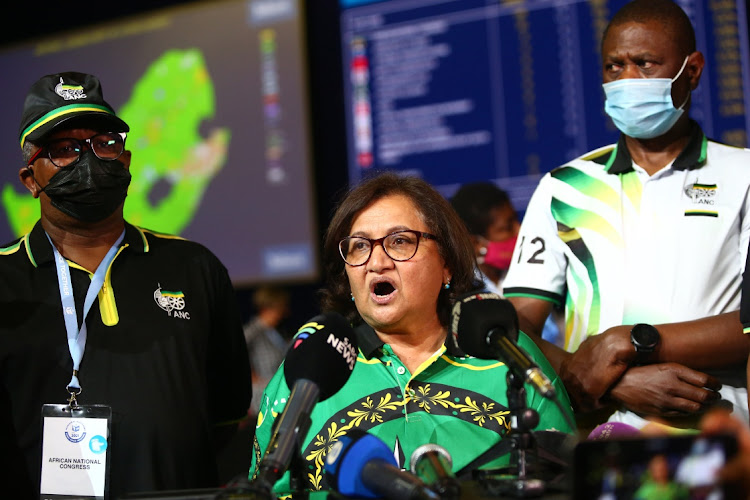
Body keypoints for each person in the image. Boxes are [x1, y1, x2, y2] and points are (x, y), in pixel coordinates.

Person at [0, 72, 251, 499]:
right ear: (30, 180)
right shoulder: (5, 282)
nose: (89, 160)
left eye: (104, 144)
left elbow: (226, 415)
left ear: (127, 159)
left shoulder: (195, 267)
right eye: (63, 150)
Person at [502, 0, 750, 431]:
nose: (628, 80)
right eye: (614, 66)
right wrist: (615, 384)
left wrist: (631, 343)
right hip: (596, 433)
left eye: (645, 63)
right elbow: (515, 327)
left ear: (692, 71)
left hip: (717, 429)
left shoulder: (743, 175)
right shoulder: (563, 187)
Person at [249, 172, 574, 497]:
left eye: (399, 241)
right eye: (360, 246)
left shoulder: (504, 353)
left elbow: (565, 484)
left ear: (446, 262)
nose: (376, 262)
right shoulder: (310, 368)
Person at [450, 181, 562, 345]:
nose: (520, 230)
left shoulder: (533, 272)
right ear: (475, 244)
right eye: (507, 227)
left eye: (517, 220)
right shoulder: (458, 294)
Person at [243, 285, 291, 416]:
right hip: (261, 401)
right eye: (281, 307)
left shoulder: (277, 332)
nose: (285, 312)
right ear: (267, 307)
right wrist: (253, 378)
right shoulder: (252, 331)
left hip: (278, 397)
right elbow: (232, 356)